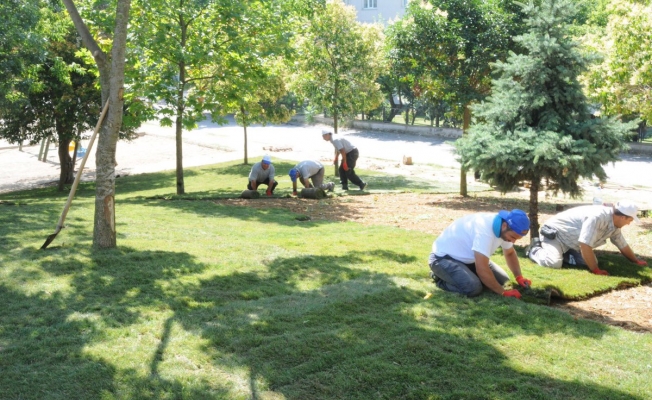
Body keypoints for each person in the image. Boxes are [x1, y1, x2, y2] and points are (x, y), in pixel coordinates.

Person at [428, 209, 532, 299]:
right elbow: (482, 269)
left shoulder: (504, 229)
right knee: (473, 288)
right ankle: (438, 277)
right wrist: (503, 293)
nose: (513, 242)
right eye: (513, 237)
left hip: (469, 260)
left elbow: (509, 253)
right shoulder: (484, 231)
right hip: (443, 259)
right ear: (505, 225)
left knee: (503, 281)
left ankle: (464, 276)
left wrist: (519, 277)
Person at [527, 201, 647, 275]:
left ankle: (563, 253)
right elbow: (585, 245)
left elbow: (621, 243)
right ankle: (535, 249)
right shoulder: (597, 217)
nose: (629, 223)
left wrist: (635, 261)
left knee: (586, 262)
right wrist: (595, 270)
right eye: (630, 220)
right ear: (622, 217)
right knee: (553, 263)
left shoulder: (614, 222)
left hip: (572, 242)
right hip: (555, 234)